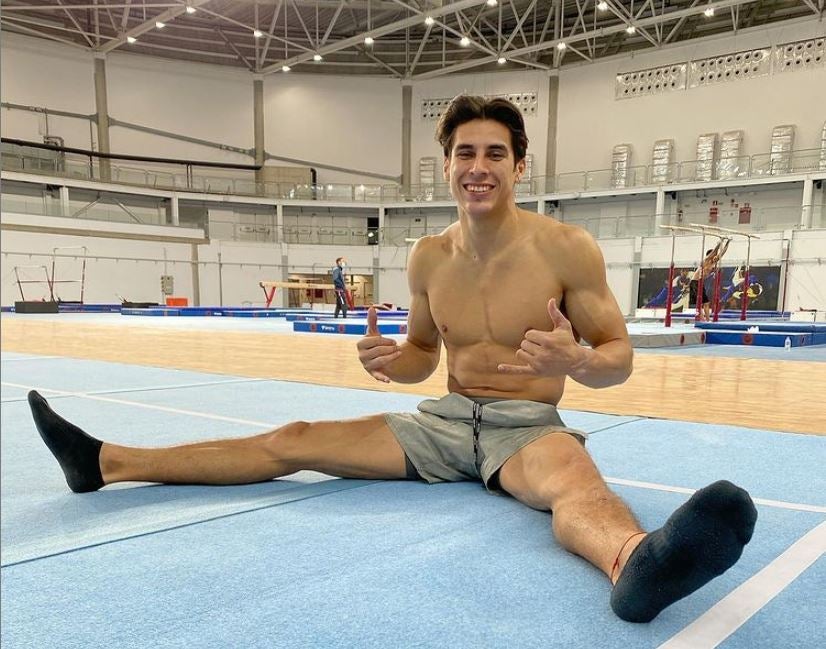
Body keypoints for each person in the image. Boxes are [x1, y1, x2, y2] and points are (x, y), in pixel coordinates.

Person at [28, 95, 756, 624]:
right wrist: (387, 361)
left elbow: (619, 356)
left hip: (525, 425)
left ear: (519, 165)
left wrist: (581, 360)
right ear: (445, 166)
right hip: (441, 423)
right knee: (292, 439)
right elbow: (420, 357)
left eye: (494, 153)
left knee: (576, 484)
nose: (479, 166)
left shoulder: (567, 249)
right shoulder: (427, 257)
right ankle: (104, 463)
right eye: (465, 153)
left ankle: (635, 564)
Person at [689, 238, 731, 321]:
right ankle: (701, 319)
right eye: (714, 256)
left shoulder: (713, 263)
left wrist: (728, 242)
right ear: (710, 256)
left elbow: (722, 253)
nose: (716, 258)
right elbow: (715, 252)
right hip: (695, 282)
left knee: (706, 303)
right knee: (701, 303)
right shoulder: (706, 261)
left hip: (701, 283)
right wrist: (719, 243)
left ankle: (707, 320)